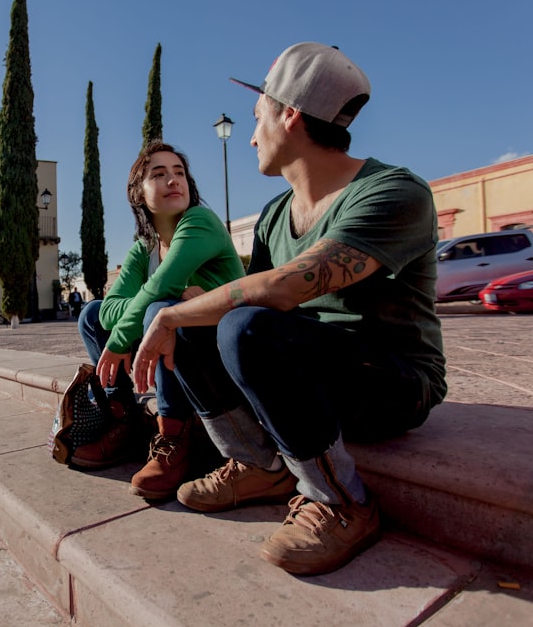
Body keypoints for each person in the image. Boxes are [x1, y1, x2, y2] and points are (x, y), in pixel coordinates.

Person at [132, 43, 447, 575]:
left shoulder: (394, 191)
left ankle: (342, 500)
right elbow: (248, 293)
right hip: (300, 377)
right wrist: (169, 312)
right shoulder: (277, 212)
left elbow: (280, 290)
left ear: (290, 116)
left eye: (258, 118)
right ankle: (258, 464)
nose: (252, 135)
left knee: (247, 328)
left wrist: (173, 314)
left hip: (390, 381)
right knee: (189, 319)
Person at [72, 141, 245, 501]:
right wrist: (167, 294)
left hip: (220, 355)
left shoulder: (199, 221)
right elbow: (106, 310)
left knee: (159, 311)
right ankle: (122, 418)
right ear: (138, 192)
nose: (173, 180)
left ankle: (173, 435)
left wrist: (129, 331)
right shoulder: (144, 248)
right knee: (91, 315)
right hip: (175, 340)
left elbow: (162, 286)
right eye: (159, 174)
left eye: (179, 172)